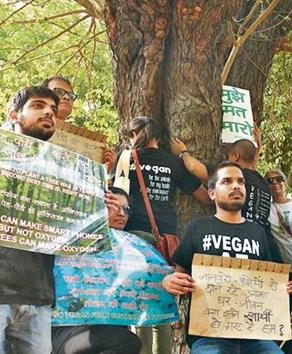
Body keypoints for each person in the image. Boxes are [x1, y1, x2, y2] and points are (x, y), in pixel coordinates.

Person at [161, 161, 292, 353]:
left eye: (241, 182)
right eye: (227, 181)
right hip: (209, 336)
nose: (236, 186)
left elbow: (277, 281)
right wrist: (169, 281)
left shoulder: (259, 232)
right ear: (212, 193)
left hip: (256, 335)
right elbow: (178, 275)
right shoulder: (197, 228)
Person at [116, 116, 209, 354]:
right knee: (161, 307)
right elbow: (204, 196)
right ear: (158, 137)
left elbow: (113, 194)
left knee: (139, 306)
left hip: (133, 237)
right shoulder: (173, 163)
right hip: (165, 239)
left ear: (134, 135)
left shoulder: (126, 158)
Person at [0, 85, 60, 353]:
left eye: (53, 109)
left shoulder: (63, 172)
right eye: (37, 105)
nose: (49, 112)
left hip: (38, 294)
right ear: (13, 115)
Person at [51, 187, 142, 354]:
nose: (121, 213)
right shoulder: (71, 238)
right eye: (113, 206)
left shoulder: (132, 249)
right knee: (128, 342)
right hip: (68, 331)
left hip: (107, 331)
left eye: (126, 209)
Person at [40, 76, 116, 172]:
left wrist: (103, 170)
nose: (67, 97)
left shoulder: (82, 140)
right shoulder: (28, 128)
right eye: (59, 91)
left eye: (71, 95)